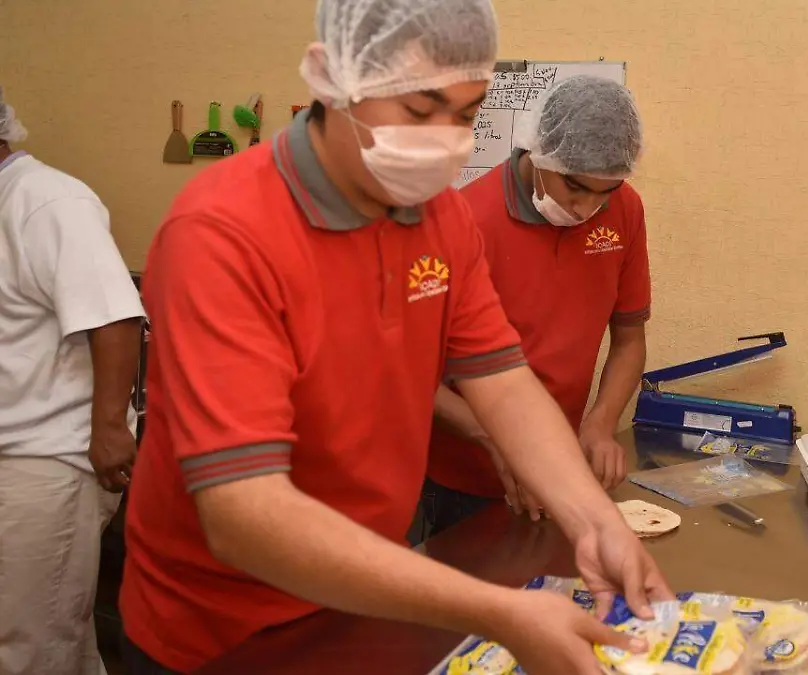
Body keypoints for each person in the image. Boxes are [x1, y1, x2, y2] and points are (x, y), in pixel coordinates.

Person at [117, 1, 671, 673]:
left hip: (369, 594)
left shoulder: (439, 220)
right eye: (418, 109)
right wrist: (498, 609)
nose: (445, 138)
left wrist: (595, 523)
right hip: (221, 631)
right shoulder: (222, 234)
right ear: (332, 81)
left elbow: (503, 384)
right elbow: (244, 514)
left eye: (465, 114)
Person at [423, 75, 650, 536]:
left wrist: (601, 423)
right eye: (576, 188)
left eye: (605, 192)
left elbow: (628, 340)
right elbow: (413, 372)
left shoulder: (624, 210)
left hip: (559, 473)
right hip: (462, 477)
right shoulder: (465, 222)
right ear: (540, 153)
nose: (588, 208)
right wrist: (501, 441)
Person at [0, 86, 145, 674]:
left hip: (45, 459)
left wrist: (110, 426)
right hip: (13, 445)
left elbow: (114, 315)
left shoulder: (47, 200)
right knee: (48, 628)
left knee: (31, 641)